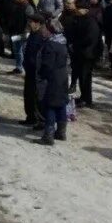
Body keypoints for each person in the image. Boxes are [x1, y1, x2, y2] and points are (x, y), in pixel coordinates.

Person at [32, 16, 70, 145]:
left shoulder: (50, 45)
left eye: (44, 28)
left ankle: (48, 136)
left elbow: (47, 65)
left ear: (50, 30)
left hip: (51, 79)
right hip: (62, 77)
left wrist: (41, 75)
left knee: (50, 106)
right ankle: (61, 132)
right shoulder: (62, 42)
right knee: (61, 104)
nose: (42, 30)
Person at [70, 1, 102, 108]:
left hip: (88, 54)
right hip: (80, 52)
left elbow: (90, 39)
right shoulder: (79, 19)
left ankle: (87, 99)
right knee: (81, 76)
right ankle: (84, 96)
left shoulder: (91, 22)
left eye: (79, 8)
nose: (77, 10)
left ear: (86, 10)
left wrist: (76, 44)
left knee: (85, 77)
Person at [20, 13, 47, 126]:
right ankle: (30, 117)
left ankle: (36, 119)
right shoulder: (33, 33)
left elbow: (38, 56)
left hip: (35, 71)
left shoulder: (41, 36)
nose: (29, 24)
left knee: (34, 96)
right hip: (29, 70)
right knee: (28, 95)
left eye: (31, 22)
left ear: (38, 23)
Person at [7, 0, 35, 74]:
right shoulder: (15, 5)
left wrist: (27, 32)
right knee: (17, 51)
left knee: (24, 51)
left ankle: (28, 71)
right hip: (15, 32)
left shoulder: (28, 7)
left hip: (23, 33)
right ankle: (19, 67)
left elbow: (30, 21)